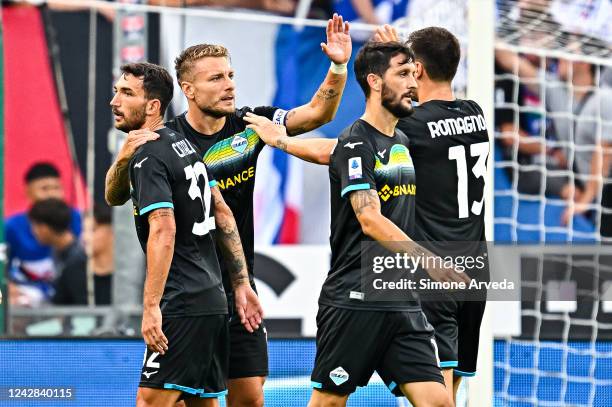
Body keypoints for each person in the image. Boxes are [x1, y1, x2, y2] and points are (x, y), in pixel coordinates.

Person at [105, 13, 352, 407]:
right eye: (216, 78)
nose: (229, 86)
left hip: (236, 287)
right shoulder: (166, 142)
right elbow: (116, 196)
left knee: (248, 398)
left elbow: (318, 114)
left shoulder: (250, 125)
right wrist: (123, 158)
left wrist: (339, 66)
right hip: (187, 292)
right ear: (188, 88)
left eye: (231, 76)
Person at [247, 40, 469, 407]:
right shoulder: (356, 142)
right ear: (375, 82)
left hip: (401, 301)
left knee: (439, 403)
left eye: (414, 73)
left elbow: (325, 152)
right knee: (330, 403)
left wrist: (283, 143)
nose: (413, 82)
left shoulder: (399, 139)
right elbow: (368, 218)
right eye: (402, 73)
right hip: (355, 300)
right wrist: (430, 261)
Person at [109, 61, 262, 407]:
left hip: (181, 303)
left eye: (126, 93)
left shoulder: (148, 156)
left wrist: (150, 307)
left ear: (152, 107)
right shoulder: (183, 144)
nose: (114, 101)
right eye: (116, 91)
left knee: (149, 402)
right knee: (201, 402)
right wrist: (239, 282)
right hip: (210, 301)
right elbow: (222, 213)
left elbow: (163, 228)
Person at [5, 162, 81, 306]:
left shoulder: (79, 219)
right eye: (44, 188)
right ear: (28, 191)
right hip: (26, 301)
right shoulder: (11, 227)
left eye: (57, 188)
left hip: (69, 301)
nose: (52, 194)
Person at [29, 198, 88, 305]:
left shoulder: (77, 261)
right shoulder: (57, 252)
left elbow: (82, 304)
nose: (33, 231)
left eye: (34, 226)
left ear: (44, 227)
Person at [82, 203, 114, 305]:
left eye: (92, 230)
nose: (85, 238)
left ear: (112, 231)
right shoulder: (71, 272)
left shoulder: (130, 276)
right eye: (83, 231)